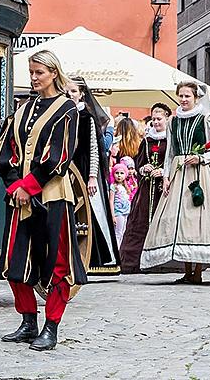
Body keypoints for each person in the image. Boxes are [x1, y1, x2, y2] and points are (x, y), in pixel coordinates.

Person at [0, 50, 85, 351]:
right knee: (15, 261)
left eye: (39, 73)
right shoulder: (21, 109)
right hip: (20, 200)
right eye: (31, 72)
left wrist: (29, 185)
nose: (33, 78)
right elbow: (5, 151)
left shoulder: (67, 109)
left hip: (53, 197)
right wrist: (14, 186)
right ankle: (28, 321)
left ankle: (51, 327)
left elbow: (60, 154)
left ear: (54, 73)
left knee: (58, 263)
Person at [141, 82, 210, 283]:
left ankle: (198, 270)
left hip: (200, 174)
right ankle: (187, 270)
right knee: (179, 221)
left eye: (187, 96)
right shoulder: (173, 122)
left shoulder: (206, 119)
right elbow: (170, 151)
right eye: (181, 95)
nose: (183, 99)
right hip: (179, 172)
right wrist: (166, 175)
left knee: (198, 220)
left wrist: (201, 158)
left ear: (196, 97)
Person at [64, 77, 120, 276]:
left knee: (92, 211)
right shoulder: (63, 115)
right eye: (67, 91)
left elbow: (94, 148)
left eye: (73, 91)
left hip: (85, 167)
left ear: (81, 94)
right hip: (67, 168)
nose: (70, 94)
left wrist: (92, 177)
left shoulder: (87, 117)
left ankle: (98, 259)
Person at [119, 103, 171, 273]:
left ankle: (162, 262)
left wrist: (164, 172)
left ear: (167, 118)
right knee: (140, 223)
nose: (156, 122)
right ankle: (136, 261)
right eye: (154, 119)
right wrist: (144, 168)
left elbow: (176, 162)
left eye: (159, 119)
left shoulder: (172, 140)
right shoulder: (146, 141)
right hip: (146, 189)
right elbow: (139, 163)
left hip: (164, 190)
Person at [109, 163, 131, 246]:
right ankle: (116, 252)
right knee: (118, 233)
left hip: (126, 212)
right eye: (117, 173)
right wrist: (113, 215)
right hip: (118, 212)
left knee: (123, 232)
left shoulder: (126, 186)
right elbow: (111, 201)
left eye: (122, 173)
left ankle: (121, 251)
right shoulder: (113, 186)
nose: (119, 176)